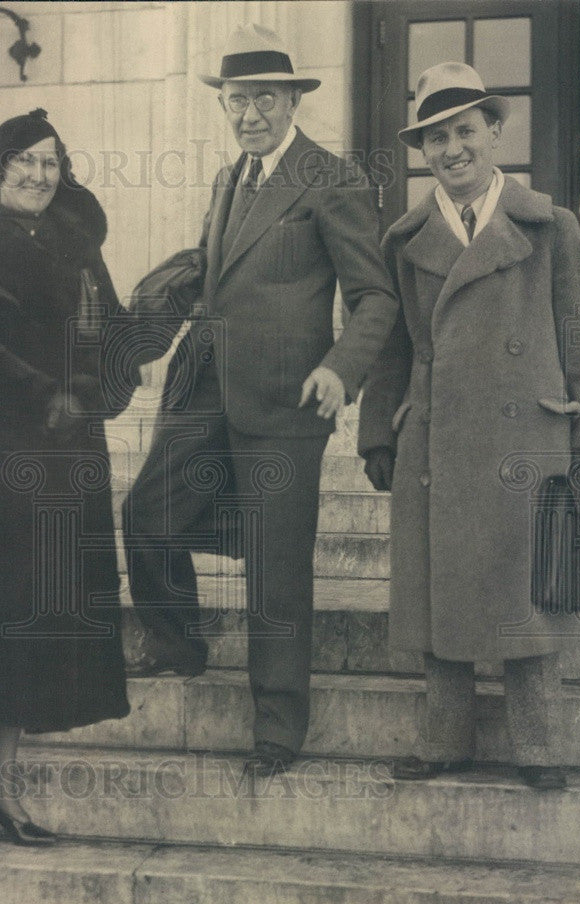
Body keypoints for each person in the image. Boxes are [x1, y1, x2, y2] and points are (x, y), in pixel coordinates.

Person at [122, 24, 398, 776]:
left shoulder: (332, 179)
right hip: (209, 390)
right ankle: (177, 643)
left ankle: (278, 727)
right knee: (146, 512)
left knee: (275, 571)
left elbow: (376, 296)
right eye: (238, 100)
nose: (250, 114)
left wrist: (342, 369)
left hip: (287, 404)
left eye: (265, 100)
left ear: (291, 101)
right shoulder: (228, 180)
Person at [357, 62, 580, 790]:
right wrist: (379, 429)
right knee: (440, 593)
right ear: (424, 150)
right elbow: (393, 348)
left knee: (528, 593)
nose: (451, 149)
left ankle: (538, 747)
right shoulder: (407, 239)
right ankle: (444, 742)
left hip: (528, 437)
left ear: (495, 132)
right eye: (436, 138)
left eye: (464, 131)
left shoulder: (549, 227)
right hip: (436, 439)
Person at [0, 109, 133, 860]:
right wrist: (45, 389)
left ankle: (4, 790)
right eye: (26, 162)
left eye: (52, 163)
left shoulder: (76, 243)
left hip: (58, 463)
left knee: (28, 633)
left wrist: (105, 374)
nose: (40, 176)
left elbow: (114, 340)